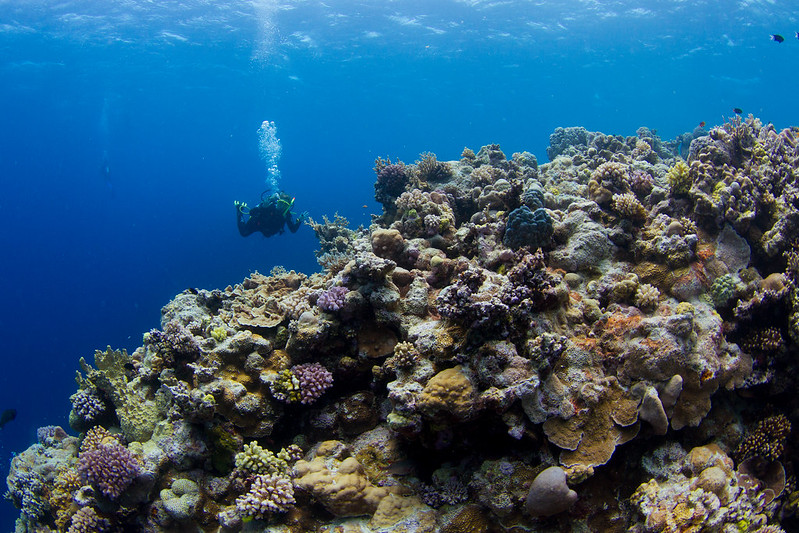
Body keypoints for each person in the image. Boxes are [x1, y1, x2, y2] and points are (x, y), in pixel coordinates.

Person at [235, 191, 308, 238]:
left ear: (288, 206)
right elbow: (251, 212)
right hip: (258, 224)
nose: (282, 206)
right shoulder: (270, 204)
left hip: (269, 231)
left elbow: (293, 229)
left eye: (285, 205)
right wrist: (263, 207)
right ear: (278, 202)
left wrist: (299, 221)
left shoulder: (286, 214)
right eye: (280, 203)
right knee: (243, 233)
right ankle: (239, 211)